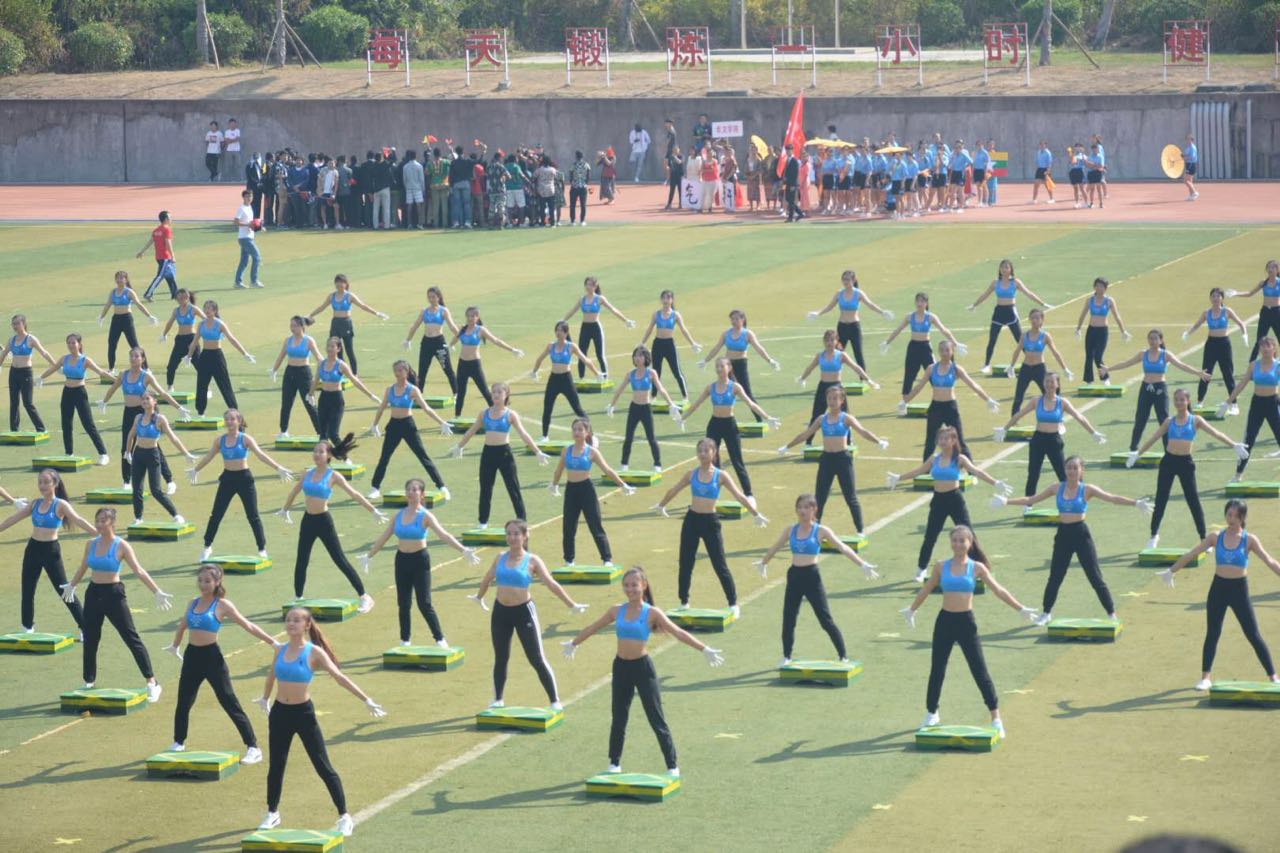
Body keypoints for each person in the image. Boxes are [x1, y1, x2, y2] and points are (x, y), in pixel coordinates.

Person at [562, 566, 723, 776]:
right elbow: (593, 627)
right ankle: (614, 763)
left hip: (642, 668)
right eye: (626, 585)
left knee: (655, 717)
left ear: (643, 585)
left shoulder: (652, 613)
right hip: (620, 667)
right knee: (619, 717)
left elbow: (678, 632)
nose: (630, 589)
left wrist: (704, 649)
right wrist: (574, 643)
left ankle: (672, 766)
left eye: (634, 585)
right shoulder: (616, 610)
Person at [256, 606, 386, 837]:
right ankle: (272, 812)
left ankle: (344, 816)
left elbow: (339, 677)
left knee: (322, 765)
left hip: (303, 715)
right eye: (288, 620)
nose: (291, 624)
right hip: (279, 713)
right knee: (276, 765)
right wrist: (265, 699)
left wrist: (366, 699)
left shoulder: (314, 652)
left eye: (296, 620)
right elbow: (271, 675)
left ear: (306, 625)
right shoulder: (280, 649)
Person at [901, 525, 1037, 738]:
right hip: (944, 621)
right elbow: (926, 590)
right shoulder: (940, 566)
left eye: (962, 540)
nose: (958, 544)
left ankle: (996, 718)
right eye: (954, 540)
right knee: (937, 669)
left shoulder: (977, 567)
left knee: (979, 670)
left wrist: (1020, 608)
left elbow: (998, 590)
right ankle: (932, 712)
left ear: (969, 543)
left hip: (966, 623)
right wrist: (911, 610)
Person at [994, 455, 1151, 625]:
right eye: (1069, 467)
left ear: (1081, 470)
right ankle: (1046, 612)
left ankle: (1111, 613)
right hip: (1063, 534)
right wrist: (1006, 501)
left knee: (1094, 576)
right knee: (1055, 576)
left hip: (1081, 534)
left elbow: (1112, 498)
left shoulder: (1087, 489)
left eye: (1075, 468)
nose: (1072, 471)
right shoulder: (1056, 487)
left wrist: (1135, 503)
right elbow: (1031, 500)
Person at [1158, 500, 1279, 691]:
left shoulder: (1250, 540)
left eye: (1234, 515)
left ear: (1242, 518)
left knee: (1253, 634)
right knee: (1213, 632)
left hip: (1240, 590)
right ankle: (1205, 677)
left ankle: (1273, 677)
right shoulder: (1216, 537)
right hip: (1218, 589)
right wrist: (1171, 571)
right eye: (1228, 514)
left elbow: (1270, 561)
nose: (1230, 519)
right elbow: (1193, 553)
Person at [468, 519, 588, 710]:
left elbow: (551, 584)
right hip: (500, 612)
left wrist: (571, 604)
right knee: (501, 657)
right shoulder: (500, 557)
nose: (512, 537)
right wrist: (479, 597)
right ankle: (498, 699)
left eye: (516, 533)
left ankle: (554, 700)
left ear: (524, 536)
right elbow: (487, 579)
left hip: (524, 613)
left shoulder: (532, 560)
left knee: (536, 658)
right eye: (509, 533)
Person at [165, 564, 276, 760]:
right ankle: (178, 742)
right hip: (192, 657)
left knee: (228, 700)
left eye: (207, 581)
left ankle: (253, 747)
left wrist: (273, 643)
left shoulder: (222, 604)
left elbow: (247, 625)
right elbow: (183, 625)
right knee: (183, 701)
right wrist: (175, 645)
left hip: (212, 658)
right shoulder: (192, 602)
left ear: (217, 582)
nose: (203, 584)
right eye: (200, 580)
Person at [756, 494, 880, 665]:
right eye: (799, 507)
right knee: (789, 618)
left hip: (812, 577)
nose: (802, 511)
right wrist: (764, 562)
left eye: (806, 507)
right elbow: (775, 546)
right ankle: (786, 656)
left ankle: (843, 655)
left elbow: (842, 547)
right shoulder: (790, 529)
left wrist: (862, 564)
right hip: (794, 576)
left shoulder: (821, 530)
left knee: (825, 619)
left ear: (814, 509)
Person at [62, 507, 173, 698]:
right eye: (97, 520)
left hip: (114, 595)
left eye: (104, 520)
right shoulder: (91, 544)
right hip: (93, 593)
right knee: (91, 639)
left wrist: (157, 591)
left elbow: (138, 570)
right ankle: (88, 682)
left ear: (112, 523)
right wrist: (71, 585)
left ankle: (152, 683)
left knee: (130, 637)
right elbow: (84, 566)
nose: (99, 523)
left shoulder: (121, 545)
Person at [652, 437, 768, 614]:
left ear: (714, 453)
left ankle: (733, 603)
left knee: (719, 563)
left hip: (710, 522)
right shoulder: (691, 474)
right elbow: (674, 489)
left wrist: (755, 514)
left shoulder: (721, 475)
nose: (703, 453)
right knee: (686, 562)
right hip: (692, 520)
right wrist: (661, 504)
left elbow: (739, 496)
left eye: (707, 450)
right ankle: (684, 601)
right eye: (700, 450)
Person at [360, 478, 480, 647]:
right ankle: (405, 640)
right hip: (402, 560)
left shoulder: (425, 516)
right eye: (408, 489)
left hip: (420, 560)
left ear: (422, 494)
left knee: (424, 603)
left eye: (415, 489)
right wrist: (369, 555)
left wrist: (463, 550)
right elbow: (384, 537)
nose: (411, 492)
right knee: (403, 603)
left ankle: (439, 638)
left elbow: (444, 535)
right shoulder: (399, 515)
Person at [887, 425, 1012, 582]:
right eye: (940, 438)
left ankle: (980, 567)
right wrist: (899, 477)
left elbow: (976, 472)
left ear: (953, 440)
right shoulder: (934, 459)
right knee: (930, 535)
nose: (943, 441)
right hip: (938, 500)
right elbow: (918, 471)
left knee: (969, 534)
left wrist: (996, 483)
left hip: (955, 500)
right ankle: (921, 568)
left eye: (946, 438)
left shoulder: (960, 458)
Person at [276, 436, 386, 611]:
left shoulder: (333, 475)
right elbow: (294, 491)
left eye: (321, 451)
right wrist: (285, 509)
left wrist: (373, 510)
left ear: (328, 456)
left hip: (324, 521)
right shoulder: (307, 473)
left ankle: (364, 596)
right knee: (302, 558)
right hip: (308, 520)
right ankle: (298, 597)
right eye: (315, 451)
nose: (317, 454)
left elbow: (355, 494)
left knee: (339, 559)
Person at [1133, 387, 1249, 548]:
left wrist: (1233, 444)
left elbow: (1216, 434)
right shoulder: (1169, 421)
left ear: (1188, 401)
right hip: (1168, 462)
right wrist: (1137, 454)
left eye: (1182, 399)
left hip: (1185, 463)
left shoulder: (1195, 420)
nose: (1179, 402)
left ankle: (1203, 538)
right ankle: (1154, 535)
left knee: (1193, 500)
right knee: (1161, 499)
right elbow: (1153, 438)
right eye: (1176, 400)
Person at [778, 385, 888, 533]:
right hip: (826, 460)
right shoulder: (821, 419)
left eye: (835, 398)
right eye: (829, 398)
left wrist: (878, 441)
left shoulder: (846, 418)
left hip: (842, 459)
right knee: (819, 499)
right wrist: (787, 446)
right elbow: (806, 434)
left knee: (851, 497)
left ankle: (860, 530)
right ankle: (813, 530)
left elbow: (863, 431)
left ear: (842, 400)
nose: (832, 401)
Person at [190, 408, 292, 561]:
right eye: (227, 419)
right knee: (216, 514)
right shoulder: (220, 440)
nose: (229, 422)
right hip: (227, 480)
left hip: (245, 479)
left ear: (239, 421)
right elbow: (209, 456)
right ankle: (207, 546)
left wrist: (278, 468)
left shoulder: (245, 439)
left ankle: (262, 548)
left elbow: (261, 455)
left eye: (232, 419)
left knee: (253, 515)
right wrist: (196, 470)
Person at [0, 469, 93, 634]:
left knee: (64, 589)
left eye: (46, 482)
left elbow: (78, 520)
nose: (42, 486)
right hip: (33, 549)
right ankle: (27, 627)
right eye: (40, 482)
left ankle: (85, 627)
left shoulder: (61, 505)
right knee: (28, 589)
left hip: (51, 551)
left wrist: (101, 534)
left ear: (55, 484)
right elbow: (13, 518)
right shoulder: (35, 504)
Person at [680, 357, 780, 503]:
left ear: (729, 368)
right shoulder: (710, 387)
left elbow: (751, 404)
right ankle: (713, 494)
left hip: (729, 425)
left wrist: (767, 417)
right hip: (714, 425)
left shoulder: (735, 387)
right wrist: (683, 417)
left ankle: (749, 494)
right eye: (717, 366)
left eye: (722, 366)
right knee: (712, 462)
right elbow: (696, 404)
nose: (719, 369)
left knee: (736, 460)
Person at [450, 382, 548, 528]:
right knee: (485, 488)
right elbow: (471, 431)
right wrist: (459, 446)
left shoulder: (511, 414)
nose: (495, 395)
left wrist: (537, 451)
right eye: (493, 392)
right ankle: (482, 522)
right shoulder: (484, 413)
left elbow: (523, 434)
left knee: (513, 488)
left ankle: (522, 520)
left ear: (506, 395)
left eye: (499, 392)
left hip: (505, 454)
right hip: (488, 454)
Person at [997, 371, 1107, 499]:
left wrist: (1093, 432)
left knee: (1063, 474)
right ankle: (1028, 504)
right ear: (1043, 383)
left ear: (1057, 384)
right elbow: (1019, 415)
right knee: (1033, 474)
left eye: (1052, 382)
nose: (1049, 384)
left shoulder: (1062, 402)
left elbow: (1079, 417)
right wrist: (1004, 429)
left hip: (1054, 440)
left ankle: (1077, 499)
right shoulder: (1036, 401)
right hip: (1038, 439)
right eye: (1047, 381)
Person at [1100, 329, 1211, 453]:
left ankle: (1168, 450)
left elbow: (1182, 365)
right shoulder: (1143, 354)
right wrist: (1109, 369)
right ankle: (1133, 449)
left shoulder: (1165, 354)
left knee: (1163, 420)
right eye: (1150, 338)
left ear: (1160, 340)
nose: (1152, 341)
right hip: (1146, 388)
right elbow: (1127, 363)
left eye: (1155, 338)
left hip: (1160, 389)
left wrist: (1199, 373)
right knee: (1140, 419)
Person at [549, 418, 635, 567]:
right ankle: (569, 560)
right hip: (571, 490)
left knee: (595, 524)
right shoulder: (566, 450)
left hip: (586, 489)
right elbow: (559, 470)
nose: (576, 432)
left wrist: (622, 485)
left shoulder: (591, 452)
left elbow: (607, 470)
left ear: (586, 433)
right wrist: (554, 485)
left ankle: (607, 559)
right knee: (569, 526)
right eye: (574, 429)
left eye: (580, 430)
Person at [366, 360, 454, 501]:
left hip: (408, 426)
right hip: (393, 426)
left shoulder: (413, 390)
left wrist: (442, 422)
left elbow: (426, 408)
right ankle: (375, 488)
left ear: (406, 372)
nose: (397, 373)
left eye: (400, 370)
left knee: (422, 456)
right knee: (384, 457)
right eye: (395, 370)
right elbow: (382, 407)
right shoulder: (389, 390)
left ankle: (442, 487)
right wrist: (374, 424)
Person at [902, 339, 999, 461]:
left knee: (959, 441)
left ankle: (971, 471)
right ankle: (925, 471)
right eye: (942, 350)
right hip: (935, 407)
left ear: (952, 351)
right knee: (930, 442)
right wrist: (905, 401)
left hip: (950, 408)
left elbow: (973, 385)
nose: (944, 353)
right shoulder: (931, 368)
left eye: (947, 350)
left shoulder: (956, 369)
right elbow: (918, 387)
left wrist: (988, 399)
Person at [37, 333, 111, 465]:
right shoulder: (64, 359)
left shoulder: (85, 360)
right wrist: (41, 377)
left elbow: (101, 372)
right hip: (67, 393)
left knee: (88, 424)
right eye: (69, 343)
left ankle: (103, 453)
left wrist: (118, 381)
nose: (71, 345)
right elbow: (53, 368)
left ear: (79, 344)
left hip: (80, 393)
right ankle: (69, 453)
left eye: (73, 342)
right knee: (66, 423)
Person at [967, 260, 1051, 373]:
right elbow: (985, 294)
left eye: (1006, 267)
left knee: (1020, 339)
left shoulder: (1016, 282)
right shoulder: (995, 283)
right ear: (999, 270)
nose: (1004, 269)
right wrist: (974, 305)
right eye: (1002, 267)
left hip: (1011, 312)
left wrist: (1042, 303)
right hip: (998, 313)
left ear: (1010, 269)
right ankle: (986, 365)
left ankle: (1033, 362)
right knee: (992, 339)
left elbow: (1029, 293)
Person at [124, 391, 195, 524]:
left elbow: (173, 438)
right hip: (138, 454)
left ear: (154, 401)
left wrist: (186, 453)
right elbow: (131, 435)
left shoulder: (160, 419)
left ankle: (175, 515)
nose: (145, 401)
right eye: (143, 399)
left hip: (153, 455)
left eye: (148, 398)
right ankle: (138, 517)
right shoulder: (138, 418)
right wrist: (128, 452)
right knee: (137, 489)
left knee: (155, 490)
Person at [795, 330, 879, 441]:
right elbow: (810, 368)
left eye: (831, 340)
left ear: (836, 341)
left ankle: (848, 442)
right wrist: (802, 378)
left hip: (837, 388)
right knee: (816, 416)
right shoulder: (820, 356)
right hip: (823, 387)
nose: (829, 343)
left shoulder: (841, 355)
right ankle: (808, 442)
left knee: (845, 416)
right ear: (824, 342)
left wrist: (868, 380)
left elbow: (856, 367)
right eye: (827, 340)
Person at [606, 345, 679, 473]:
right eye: (636, 356)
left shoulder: (651, 373)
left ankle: (657, 464)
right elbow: (619, 390)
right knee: (628, 437)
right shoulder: (630, 374)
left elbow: (661, 389)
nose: (638, 358)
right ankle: (624, 464)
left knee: (651, 437)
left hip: (646, 408)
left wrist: (671, 404)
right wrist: (612, 405)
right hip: (634, 408)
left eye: (640, 355)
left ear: (646, 358)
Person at [698, 309, 780, 421]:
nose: (734, 321)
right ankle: (727, 418)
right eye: (732, 319)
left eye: (737, 319)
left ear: (743, 319)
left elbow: (759, 348)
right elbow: (716, 348)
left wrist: (770, 360)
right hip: (728, 366)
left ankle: (760, 419)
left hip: (741, 364)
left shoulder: (747, 334)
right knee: (727, 392)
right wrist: (705, 360)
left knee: (746, 393)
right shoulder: (726, 334)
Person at [805, 270, 894, 370]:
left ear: (853, 280)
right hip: (842, 327)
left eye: (847, 279)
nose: (845, 282)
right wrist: (818, 313)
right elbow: (830, 306)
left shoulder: (858, 293)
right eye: (843, 279)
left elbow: (870, 304)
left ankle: (863, 380)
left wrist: (882, 312)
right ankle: (834, 377)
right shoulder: (839, 293)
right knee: (836, 352)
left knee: (858, 353)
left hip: (854, 327)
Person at [1220, 335, 1280, 480]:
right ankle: (1238, 475)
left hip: (1273, 403)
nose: (1265, 349)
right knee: (1248, 440)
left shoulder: (1278, 366)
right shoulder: (1254, 365)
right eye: (1262, 346)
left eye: (1268, 346)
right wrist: (1228, 402)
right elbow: (1242, 384)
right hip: (1257, 404)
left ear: (1274, 348)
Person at [882, 292, 964, 398]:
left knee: (933, 374)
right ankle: (904, 402)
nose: (919, 303)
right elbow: (898, 329)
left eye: (922, 301)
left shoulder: (930, 317)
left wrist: (956, 343)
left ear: (926, 303)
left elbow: (944, 330)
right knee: (909, 374)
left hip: (925, 348)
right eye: (917, 301)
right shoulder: (910, 316)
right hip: (913, 348)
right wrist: (887, 342)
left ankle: (940, 398)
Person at [306, 273, 388, 377]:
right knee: (337, 351)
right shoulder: (332, 296)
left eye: (342, 282)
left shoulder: (349, 296)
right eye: (337, 282)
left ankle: (354, 374)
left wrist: (377, 313)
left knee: (349, 350)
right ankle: (340, 373)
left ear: (346, 284)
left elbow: (363, 306)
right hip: (335, 323)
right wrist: (310, 315)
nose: (339, 284)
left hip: (346, 323)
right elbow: (322, 307)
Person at [449, 306, 524, 417]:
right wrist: (451, 345)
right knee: (461, 393)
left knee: (484, 391)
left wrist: (512, 349)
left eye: (473, 316)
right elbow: (455, 339)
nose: (470, 318)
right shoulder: (462, 329)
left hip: (475, 364)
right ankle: (457, 416)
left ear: (477, 317)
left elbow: (496, 340)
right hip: (462, 364)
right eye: (468, 316)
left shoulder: (480, 330)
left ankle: (499, 413)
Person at [530, 321, 598, 441]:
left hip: (566, 379)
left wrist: (597, 374)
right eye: (557, 330)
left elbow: (586, 360)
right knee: (547, 408)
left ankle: (591, 435)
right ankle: (545, 435)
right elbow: (539, 358)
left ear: (566, 333)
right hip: (553, 379)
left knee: (577, 408)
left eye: (561, 330)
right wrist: (534, 371)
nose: (558, 332)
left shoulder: (571, 346)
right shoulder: (551, 346)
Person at [1183, 287, 1248, 409]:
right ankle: (1200, 401)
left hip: (1224, 344)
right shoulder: (1206, 313)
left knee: (1227, 373)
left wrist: (1244, 334)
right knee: (1205, 373)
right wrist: (1188, 333)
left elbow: (1241, 323)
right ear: (1210, 298)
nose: (1216, 298)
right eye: (1213, 296)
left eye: (1218, 296)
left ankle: (1234, 404)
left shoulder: (1227, 311)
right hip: (1211, 344)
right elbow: (1197, 325)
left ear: (1222, 298)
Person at [187, 300, 256, 415]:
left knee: (224, 385)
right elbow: (194, 342)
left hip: (217, 356)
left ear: (214, 311)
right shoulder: (201, 324)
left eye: (209, 308)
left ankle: (234, 411)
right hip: (205, 356)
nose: (207, 310)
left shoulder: (220, 324)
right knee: (201, 384)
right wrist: (189, 356)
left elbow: (232, 339)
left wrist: (245, 353)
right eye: (205, 308)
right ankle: (200, 412)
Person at [310, 337, 379, 445]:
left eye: (332, 346)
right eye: (328, 346)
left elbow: (355, 381)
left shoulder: (341, 365)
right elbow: (316, 380)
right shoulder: (321, 364)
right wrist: (310, 394)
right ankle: (325, 461)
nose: (329, 349)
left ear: (338, 349)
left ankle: (345, 457)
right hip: (323, 398)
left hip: (336, 400)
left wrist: (370, 395)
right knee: (323, 435)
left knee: (333, 434)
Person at [563, 276, 635, 380]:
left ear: (595, 286)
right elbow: (572, 311)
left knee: (600, 354)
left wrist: (625, 320)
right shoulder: (582, 299)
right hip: (585, 328)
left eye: (591, 285)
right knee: (581, 353)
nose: (588, 287)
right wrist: (563, 320)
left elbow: (613, 309)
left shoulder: (599, 299)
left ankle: (605, 377)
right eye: (587, 284)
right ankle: (581, 378)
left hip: (595, 328)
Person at [1006, 308, 1072, 415]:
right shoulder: (1024, 336)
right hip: (1026, 368)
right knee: (1018, 396)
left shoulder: (1045, 336)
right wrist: (1011, 366)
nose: (1034, 320)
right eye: (1032, 318)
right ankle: (1014, 419)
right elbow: (1017, 351)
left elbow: (1055, 352)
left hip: (1039, 368)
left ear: (1042, 320)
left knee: (1050, 393)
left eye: (1037, 318)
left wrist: (1065, 369)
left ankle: (1058, 416)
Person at [639, 289, 701, 400]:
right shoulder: (656, 314)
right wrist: (642, 342)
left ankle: (685, 396)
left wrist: (692, 343)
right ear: (661, 300)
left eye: (668, 298)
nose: (666, 300)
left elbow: (684, 330)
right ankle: (653, 397)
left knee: (676, 371)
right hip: (657, 344)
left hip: (669, 345)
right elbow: (649, 329)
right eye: (663, 298)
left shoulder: (675, 315)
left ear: (672, 300)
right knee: (656, 372)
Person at [269, 316, 323, 438]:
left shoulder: (308, 340)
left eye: (294, 325)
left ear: (301, 326)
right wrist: (274, 370)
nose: (292, 328)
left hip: (304, 373)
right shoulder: (288, 340)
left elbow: (319, 357)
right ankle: (283, 431)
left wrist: (324, 370)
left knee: (309, 402)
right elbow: (281, 356)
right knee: (286, 402)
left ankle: (321, 432)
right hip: (290, 372)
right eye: (291, 325)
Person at [2, 314, 55, 432]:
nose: (15, 326)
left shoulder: (31, 339)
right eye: (13, 324)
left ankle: (41, 429)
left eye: (17, 323)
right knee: (14, 402)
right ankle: (14, 430)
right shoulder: (11, 340)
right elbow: (4, 353)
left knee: (27, 403)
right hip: (13, 373)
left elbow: (44, 353)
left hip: (26, 373)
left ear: (23, 324)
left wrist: (55, 365)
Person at [401, 286, 459, 395]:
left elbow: (452, 326)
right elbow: (415, 326)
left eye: (433, 297)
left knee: (448, 369)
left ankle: (456, 394)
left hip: (439, 343)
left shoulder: (443, 310)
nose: (431, 299)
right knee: (422, 371)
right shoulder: (424, 311)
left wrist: (459, 337)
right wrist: (408, 340)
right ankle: (418, 394)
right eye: (429, 297)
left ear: (438, 297)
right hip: (426, 343)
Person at [97, 270, 159, 373]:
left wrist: (149, 316)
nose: (119, 280)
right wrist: (101, 317)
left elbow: (139, 304)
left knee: (134, 345)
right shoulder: (113, 292)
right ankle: (111, 368)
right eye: (117, 278)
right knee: (112, 344)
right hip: (116, 319)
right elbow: (108, 305)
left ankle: (146, 368)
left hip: (126, 319)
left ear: (126, 280)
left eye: (121, 278)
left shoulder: (129, 292)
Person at [1073, 277, 1130, 384]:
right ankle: (1089, 381)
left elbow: (1117, 316)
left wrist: (1123, 331)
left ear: (1105, 288)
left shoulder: (1109, 301)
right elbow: (1083, 315)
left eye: (1102, 286)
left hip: (1102, 331)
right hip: (1091, 330)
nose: (1099, 288)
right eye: (1097, 286)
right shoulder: (1090, 300)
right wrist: (1078, 329)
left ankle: (1105, 378)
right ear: (1094, 287)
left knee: (1098, 356)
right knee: (1089, 356)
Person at [1229, 259, 1280, 362]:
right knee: (1259, 340)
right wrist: (1236, 293)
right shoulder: (1263, 283)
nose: (1270, 269)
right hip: (1265, 312)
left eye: (1273, 267)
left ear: (1277, 269)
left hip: (1276, 312)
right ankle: (1251, 363)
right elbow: (1250, 293)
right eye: (1269, 267)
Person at [158, 289, 204, 392]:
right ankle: (170, 386)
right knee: (171, 365)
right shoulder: (176, 310)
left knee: (199, 365)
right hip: (180, 340)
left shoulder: (193, 309)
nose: (182, 299)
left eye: (184, 297)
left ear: (188, 298)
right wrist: (164, 334)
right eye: (179, 297)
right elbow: (170, 323)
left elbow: (206, 319)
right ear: (176, 299)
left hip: (191, 339)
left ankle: (206, 387)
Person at [138, 211, 179, 302]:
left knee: (170, 275)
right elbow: (168, 243)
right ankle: (148, 293)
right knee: (160, 276)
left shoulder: (156, 230)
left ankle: (175, 294)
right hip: (165, 257)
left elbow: (151, 241)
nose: (171, 219)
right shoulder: (166, 229)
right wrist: (172, 255)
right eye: (169, 217)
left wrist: (142, 251)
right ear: (165, 219)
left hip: (159, 257)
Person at [233, 190, 264, 289]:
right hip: (244, 238)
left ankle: (238, 282)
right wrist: (248, 225)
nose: (249, 198)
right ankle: (254, 281)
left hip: (249, 237)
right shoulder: (241, 209)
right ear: (243, 197)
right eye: (247, 196)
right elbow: (235, 222)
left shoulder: (250, 207)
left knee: (244, 261)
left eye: (250, 196)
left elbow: (251, 223)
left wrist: (259, 227)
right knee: (257, 257)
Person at [568, 151, 591, 226]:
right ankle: (582, 221)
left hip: (574, 186)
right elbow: (588, 175)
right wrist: (586, 183)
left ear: (576, 156)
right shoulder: (586, 164)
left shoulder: (573, 165)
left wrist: (572, 182)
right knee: (583, 204)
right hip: (583, 187)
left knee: (572, 204)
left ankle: (572, 221)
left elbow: (570, 174)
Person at [783, 145, 803, 222]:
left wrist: (793, 185)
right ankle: (799, 213)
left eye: (789, 150)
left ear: (792, 151)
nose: (788, 152)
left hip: (792, 184)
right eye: (787, 150)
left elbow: (795, 174)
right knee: (789, 199)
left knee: (790, 200)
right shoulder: (788, 160)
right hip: (788, 183)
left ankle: (791, 217)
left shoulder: (794, 161)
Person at [664, 145, 684, 210]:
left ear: (679, 150)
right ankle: (669, 204)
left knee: (680, 190)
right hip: (673, 175)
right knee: (672, 190)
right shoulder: (670, 157)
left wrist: (675, 157)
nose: (675, 151)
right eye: (674, 150)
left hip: (679, 175)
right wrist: (667, 168)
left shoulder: (681, 156)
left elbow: (679, 162)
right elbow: (669, 166)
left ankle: (681, 203)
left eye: (676, 150)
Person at [223, 118, 242, 183]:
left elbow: (238, 139)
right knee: (229, 165)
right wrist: (233, 140)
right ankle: (229, 179)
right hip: (229, 150)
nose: (233, 125)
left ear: (236, 124)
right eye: (231, 123)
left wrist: (230, 140)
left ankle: (239, 179)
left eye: (234, 123)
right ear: (229, 124)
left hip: (237, 150)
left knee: (238, 165)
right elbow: (226, 141)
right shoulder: (227, 132)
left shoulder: (238, 131)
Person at [1181, 133, 1198, 201]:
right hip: (1189, 165)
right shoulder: (1189, 147)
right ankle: (1191, 195)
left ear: (1192, 140)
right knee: (1190, 180)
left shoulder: (1192, 147)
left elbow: (1192, 157)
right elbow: (1186, 155)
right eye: (1187, 139)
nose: (1187, 140)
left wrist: (1184, 157)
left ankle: (1194, 192)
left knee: (1185, 180)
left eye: (1189, 139)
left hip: (1191, 165)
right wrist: (1183, 156)